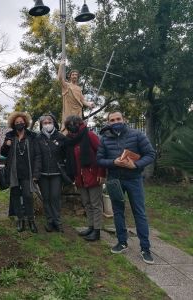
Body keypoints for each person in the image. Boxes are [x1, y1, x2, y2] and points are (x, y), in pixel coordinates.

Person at [97, 111, 156, 264]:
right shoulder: (104, 139)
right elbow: (99, 160)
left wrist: (135, 164)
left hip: (134, 179)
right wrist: (113, 162)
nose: (115, 121)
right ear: (108, 123)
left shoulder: (137, 135)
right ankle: (122, 242)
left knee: (139, 212)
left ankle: (145, 248)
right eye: (112, 120)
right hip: (114, 180)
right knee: (117, 211)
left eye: (118, 119)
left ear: (124, 119)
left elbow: (150, 154)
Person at [64, 115, 106, 241]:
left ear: (80, 124)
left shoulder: (90, 135)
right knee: (87, 203)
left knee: (95, 204)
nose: (73, 126)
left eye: (75, 123)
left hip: (93, 175)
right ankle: (91, 226)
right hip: (79, 177)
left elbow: (101, 153)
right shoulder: (69, 140)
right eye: (70, 124)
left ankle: (97, 231)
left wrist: (102, 173)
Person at [0, 111, 41, 233]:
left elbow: (38, 155)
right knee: (15, 196)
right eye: (17, 122)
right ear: (13, 123)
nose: (19, 124)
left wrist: (36, 173)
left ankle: (31, 219)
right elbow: (3, 153)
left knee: (28, 196)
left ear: (25, 123)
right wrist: (6, 145)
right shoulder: (9, 135)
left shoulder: (32, 135)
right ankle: (20, 219)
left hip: (28, 172)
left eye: (21, 122)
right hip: (14, 173)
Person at [36, 113, 67, 232]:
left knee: (55, 197)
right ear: (41, 125)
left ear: (54, 123)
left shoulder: (61, 137)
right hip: (42, 174)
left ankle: (57, 221)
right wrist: (36, 173)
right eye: (45, 123)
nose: (47, 124)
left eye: (49, 122)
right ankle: (49, 221)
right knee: (46, 198)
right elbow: (37, 156)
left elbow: (66, 155)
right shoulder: (38, 138)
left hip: (57, 173)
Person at [57, 59, 94, 132]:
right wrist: (61, 65)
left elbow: (82, 100)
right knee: (68, 125)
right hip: (69, 109)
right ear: (70, 76)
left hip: (78, 110)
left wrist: (89, 104)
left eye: (76, 75)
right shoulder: (66, 85)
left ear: (78, 77)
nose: (74, 76)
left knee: (77, 126)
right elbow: (60, 78)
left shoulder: (79, 88)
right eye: (73, 75)